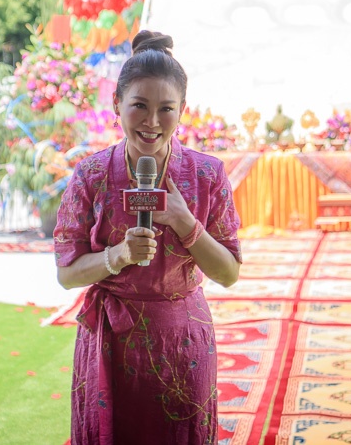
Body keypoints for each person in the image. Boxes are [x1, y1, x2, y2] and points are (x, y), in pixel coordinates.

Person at [54, 30, 243, 445]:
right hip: (109, 343)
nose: (152, 122)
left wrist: (185, 222)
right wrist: (116, 256)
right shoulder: (92, 175)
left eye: (166, 109)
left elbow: (228, 273)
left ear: (183, 110)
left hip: (182, 341)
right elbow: (67, 275)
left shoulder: (207, 175)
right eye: (139, 105)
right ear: (117, 103)